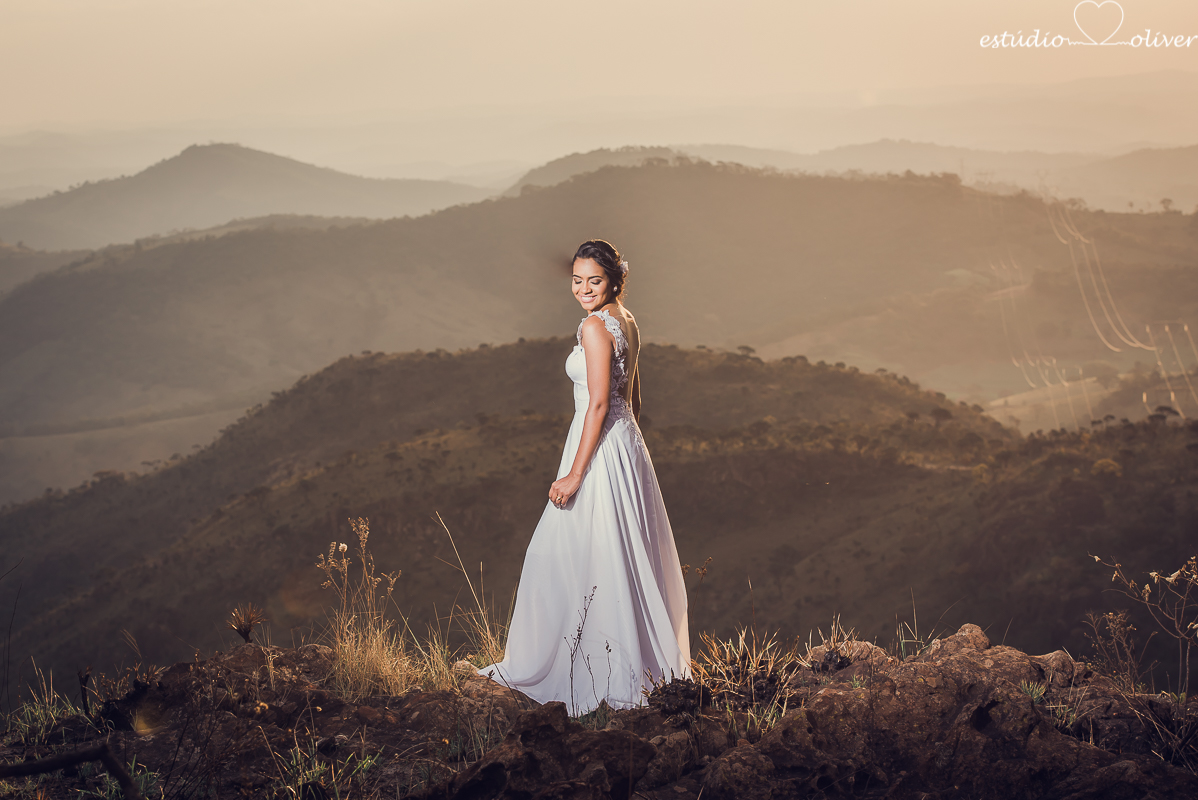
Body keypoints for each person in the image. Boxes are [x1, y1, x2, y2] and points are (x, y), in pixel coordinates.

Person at [476, 239, 691, 714]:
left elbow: (597, 403)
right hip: (625, 444)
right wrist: (629, 450)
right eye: (577, 280)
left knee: (561, 553)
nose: (583, 289)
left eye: (594, 280)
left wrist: (576, 473)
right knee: (614, 552)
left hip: (597, 446)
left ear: (614, 280)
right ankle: (624, 665)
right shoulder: (626, 320)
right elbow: (633, 399)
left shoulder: (595, 327)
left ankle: (588, 671)